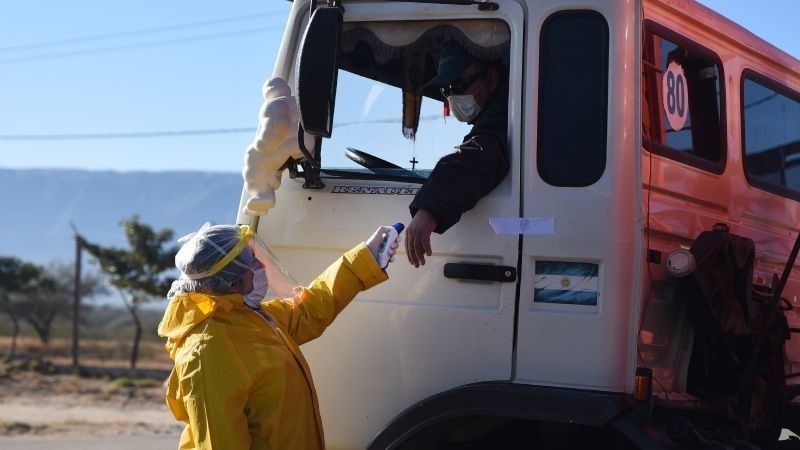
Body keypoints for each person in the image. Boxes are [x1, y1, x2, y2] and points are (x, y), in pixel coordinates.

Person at [158, 223, 399, 449]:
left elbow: (308, 311)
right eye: (252, 262)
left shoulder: (249, 318)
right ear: (233, 282)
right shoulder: (206, 353)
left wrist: (366, 258)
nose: (262, 266)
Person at [406, 43, 510, 268]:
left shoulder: (506, 114)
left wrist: (429, 208)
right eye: (446, 90)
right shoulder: (497, 111)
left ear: (491, 79)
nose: (452, 97)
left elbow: (481, 153)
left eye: (459, 85)